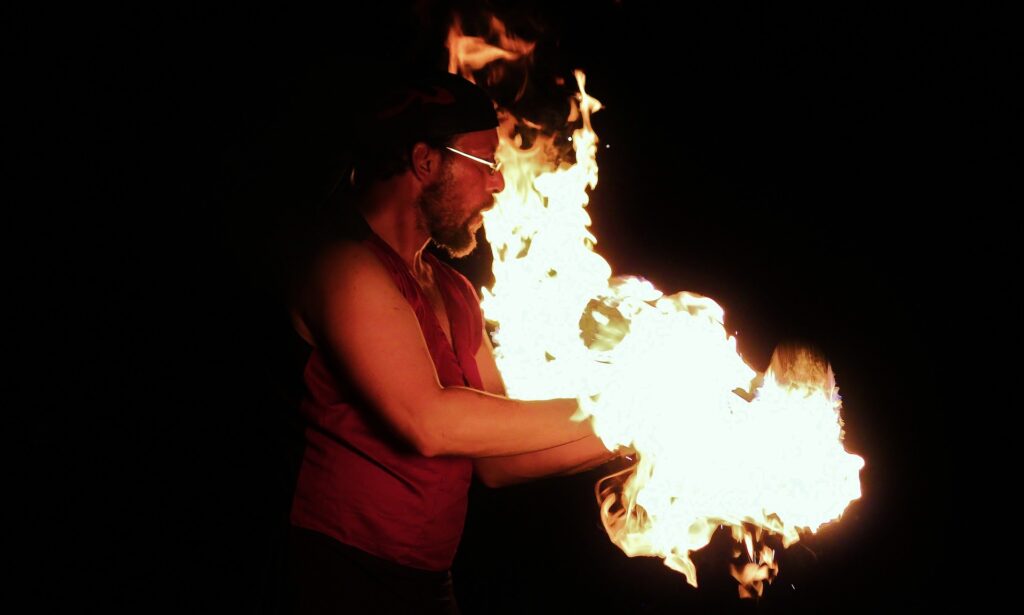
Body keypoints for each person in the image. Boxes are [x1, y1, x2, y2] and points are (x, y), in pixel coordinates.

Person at [283, 71, 622, 614]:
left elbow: (499, 459)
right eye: (487, 165)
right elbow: (432, 424)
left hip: (427, 580)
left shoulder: (454, 288)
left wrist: (642, 437)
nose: (499, 186)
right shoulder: (345, 266)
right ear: (425, 162)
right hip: (336, 570)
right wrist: (625, 409)